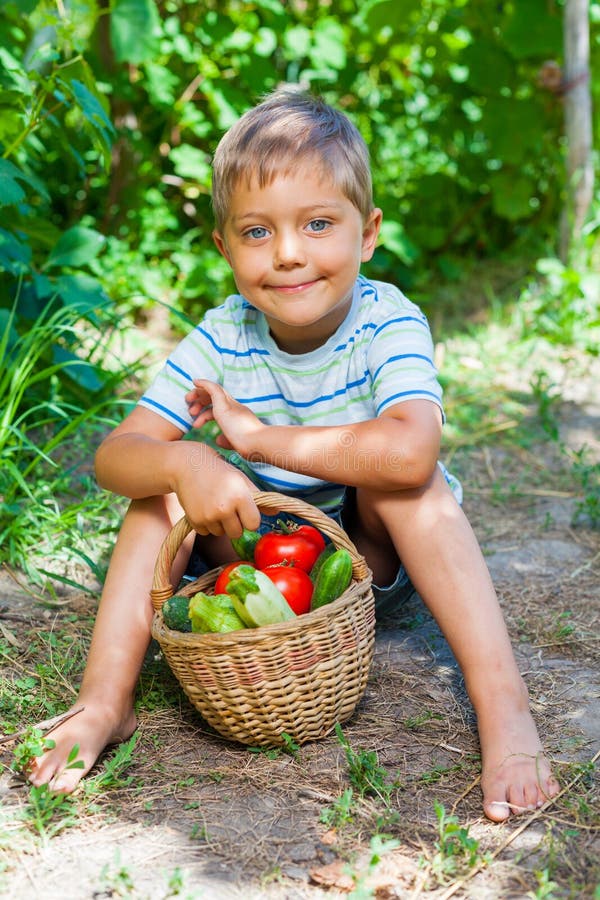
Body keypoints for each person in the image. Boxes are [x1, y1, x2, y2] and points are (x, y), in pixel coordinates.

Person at [28, 87, 559, 821]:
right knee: (158, 491)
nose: (287, 254)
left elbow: (408, 451)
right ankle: (102, 702)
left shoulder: (386, 321)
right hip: (251, 560)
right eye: (255, 232)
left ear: (366, 233)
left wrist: (254, 440)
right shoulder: (221, 336)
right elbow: (115, 456)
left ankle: (504, 709)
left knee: (414, 486)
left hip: (361, 559)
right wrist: (185, 463)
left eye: (317, 224)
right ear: (223, 246)